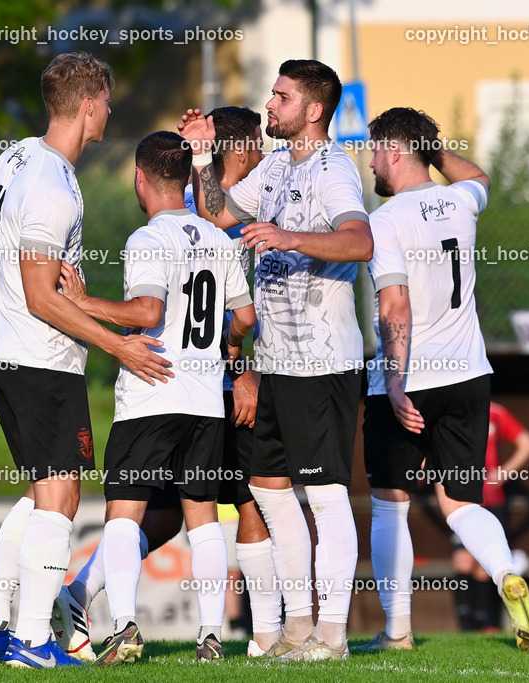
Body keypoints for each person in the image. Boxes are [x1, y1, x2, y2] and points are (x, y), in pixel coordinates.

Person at [0, 52, 173, 669]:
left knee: (39, 492)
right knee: (61, 498)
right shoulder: (54, 183)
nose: (110, 110)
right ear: (87, 105)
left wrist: (32, 278)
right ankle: (32, 641)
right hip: (40, 358)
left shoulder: (16, 156)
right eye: (106, 100)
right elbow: (38, 295)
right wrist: (118, 345)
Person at [51, 107, 282, 661]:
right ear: (184, 178)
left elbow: (145, 308)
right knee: (202, 518)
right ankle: (210, 636)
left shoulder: (146, 238)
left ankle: (126, 626)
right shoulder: (219, 237)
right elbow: (245, 319)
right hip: (205, 403)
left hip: (151, 394)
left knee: (125, 514)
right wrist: (218, 352)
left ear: (139, 178)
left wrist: (84, 303)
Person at [180, 59, 373, 661]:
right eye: (273, 93)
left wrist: (289, 237)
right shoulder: (276, 172)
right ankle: (296, 629)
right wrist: (199, 156)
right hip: (279, 363)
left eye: (282, 96)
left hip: (323, 363)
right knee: (268, 489)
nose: (271, 103)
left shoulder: (333, 167)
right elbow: (216, 212)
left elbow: (360, 240)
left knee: (326, 496)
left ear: (313, 111)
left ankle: (334, 634)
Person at [357, 107, 529, 654]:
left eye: (376, 149)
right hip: (469, 374)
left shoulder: (385, 219)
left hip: (412, 375)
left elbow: (395, 303)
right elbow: (479, 177)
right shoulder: (462, 202)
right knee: (461, 502)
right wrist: (430, 149)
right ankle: (507, 571)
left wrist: (393, 382)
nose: (371, 161)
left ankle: (397, 632)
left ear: (394, 150)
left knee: (391, 501)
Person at [451, 402, 529, 631]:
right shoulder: (448, 408)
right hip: (461, 499)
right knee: (463, 562)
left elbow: (527, 443)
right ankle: (466, 629)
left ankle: (488, 625)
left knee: (485, 566)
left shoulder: (496, 413)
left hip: (492, 501)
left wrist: (503, 473)